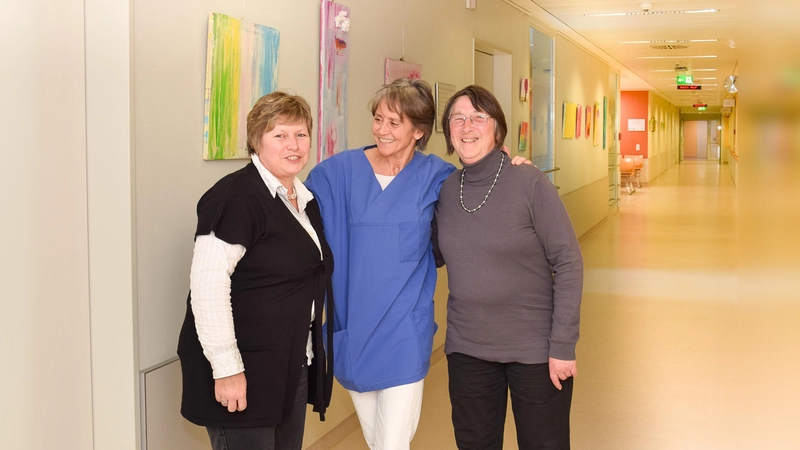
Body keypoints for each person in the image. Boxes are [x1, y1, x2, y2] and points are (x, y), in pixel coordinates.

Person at [305, 78, 529, 450]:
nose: (382, 129)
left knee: (391, 444)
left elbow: (482, 189)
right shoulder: (336, 173)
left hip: (404, 331)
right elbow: (294, 211)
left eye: (394, 122)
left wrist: (513, 165)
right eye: (378, 119)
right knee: (379, 441)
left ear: (418, 132)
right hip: (353, 328)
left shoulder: (436, 177)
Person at [177, 91, 334, 450]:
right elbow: (208, 286)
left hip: (288, 364)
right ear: (256, 140)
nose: (293, 145)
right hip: (243, 371)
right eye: (280, 135)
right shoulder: (236, 197)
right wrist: (227, 368)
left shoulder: (302, 200)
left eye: (301, 134)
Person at [433, 85, 583, 450]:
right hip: (468, 350)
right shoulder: (446, 190)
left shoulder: (529, 182)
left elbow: (568, 261)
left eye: (479, 117)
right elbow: (432, 253)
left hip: (535, 352)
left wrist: (563, 345)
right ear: (449, 131)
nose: (467, 126)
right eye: (458, 118)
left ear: (497, 129)